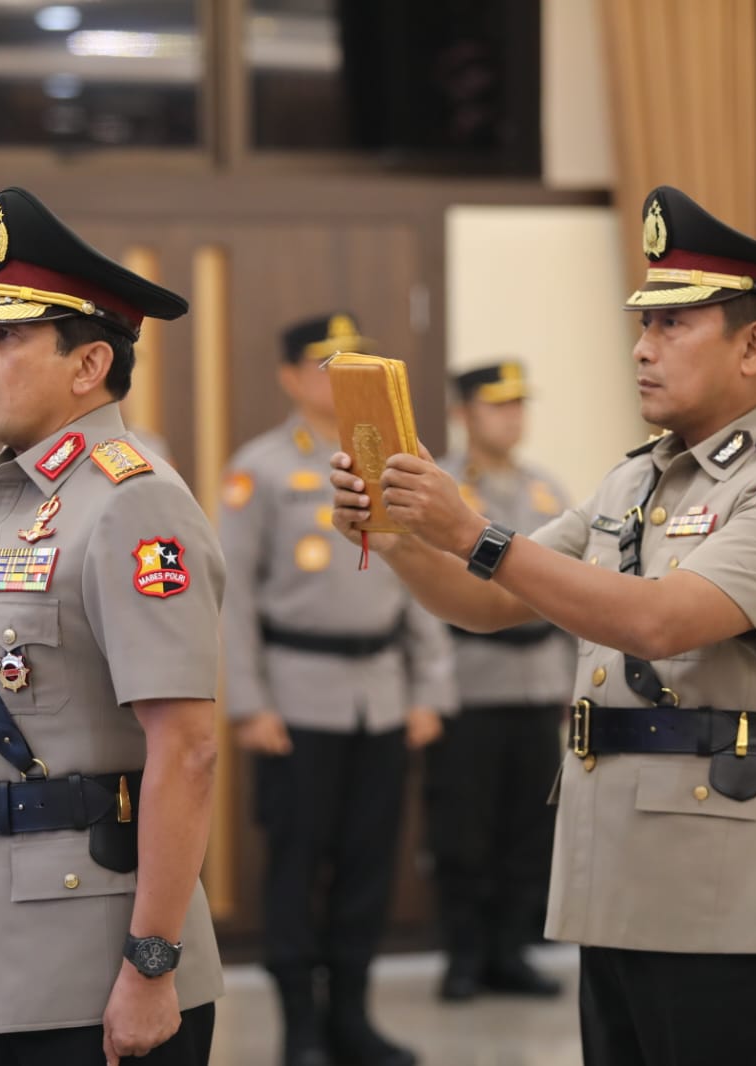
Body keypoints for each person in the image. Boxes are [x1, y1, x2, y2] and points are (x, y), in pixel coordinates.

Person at [330, 186, 756, 1066]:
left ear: (755, 343)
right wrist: (395, 536)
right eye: (642, 326)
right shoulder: (634, 483)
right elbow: (491, 602)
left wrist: (471, 530)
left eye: (671, 327)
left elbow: (662, 624)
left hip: (741, 902)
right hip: (618, 885)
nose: (641, 348)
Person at [0, 186, 224, 1066]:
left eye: (5, 337)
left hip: (103, 969)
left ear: (89, 364)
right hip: (7, 954)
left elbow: (189, 751)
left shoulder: (134, 504)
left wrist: (151, 964)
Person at [221, 312, 454, 1066]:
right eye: (325, 363)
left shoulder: (397, 461)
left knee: (368, 865)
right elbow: (232, 600)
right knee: (296, 867)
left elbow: (425, 579)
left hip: (382, 700)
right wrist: (248, 704)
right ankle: (301, 1028)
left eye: (353, 362)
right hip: (297, 702)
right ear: (290, 377)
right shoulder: (259, 468)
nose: (339, 376)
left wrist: (429, 690)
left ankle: (351, 1018)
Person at [427, 360, 573, 1002]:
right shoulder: (443, 488)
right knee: (463, 831)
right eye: (497, 405)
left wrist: (576, 685)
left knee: (528, 828)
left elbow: (575, 593)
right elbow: (423, 596)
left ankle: (511, 952)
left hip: (539, 682)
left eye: (519, 404)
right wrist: (429, 690)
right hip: (470, 683)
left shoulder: (546, 490)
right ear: (463, 413)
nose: (512, 416)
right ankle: (464, 956)